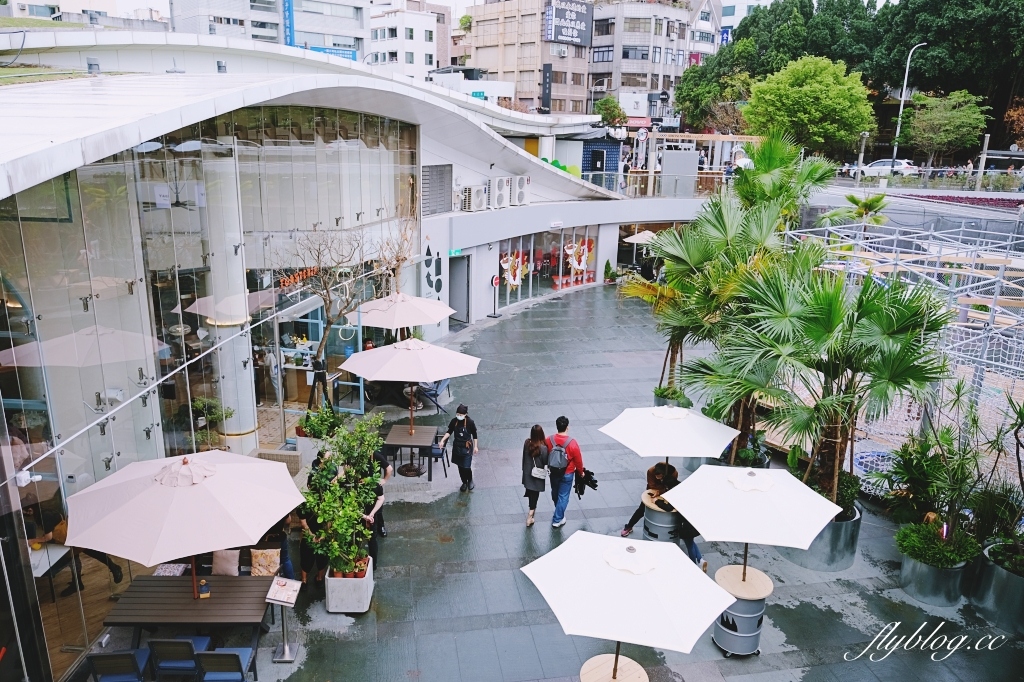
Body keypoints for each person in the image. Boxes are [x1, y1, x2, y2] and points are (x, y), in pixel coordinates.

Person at [620, 461, 679, 537]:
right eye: (656, 476)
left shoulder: (673, 473)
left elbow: (672, 485)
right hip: (652, 491)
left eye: (659, 476)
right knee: (641, 509)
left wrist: (662, 490)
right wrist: (659, 491)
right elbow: (652, 485)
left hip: (666, 492)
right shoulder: (651, 471)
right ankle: (629, 526)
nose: (657, 478)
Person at [546, 415, 583, 528]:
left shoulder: (549, 440)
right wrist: (581, 472)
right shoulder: (572, 443)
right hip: (567, 473)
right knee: (564, 495)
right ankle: (557, 519)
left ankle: (558, 511)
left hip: (553, 472)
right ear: (567, 427)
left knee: (555, 492)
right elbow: (578, 460)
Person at [440, 404, 478, 491]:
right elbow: (449, 432)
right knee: (460, 466)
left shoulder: (470, 422)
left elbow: (475, 435)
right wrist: (442, 440)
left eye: (461, 415)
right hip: (457, 447)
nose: (459, 416)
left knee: (466, 466)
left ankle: (470, 480)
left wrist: (476, 446)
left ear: (465, 414)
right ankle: (464, 482)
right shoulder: (454, 421)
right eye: (457, 414)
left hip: (467, 447)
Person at [521, 425, 549, 528]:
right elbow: (545, 461)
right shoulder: (543, 448)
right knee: (535, 496)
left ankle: (531, 513)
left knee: (531, 493)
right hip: (537, 475)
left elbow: (524, 457)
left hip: (528, 473)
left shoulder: (527, 443)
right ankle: (530, 516)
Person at [362, 481, 385, 567]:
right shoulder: (375, 484)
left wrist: (365, 516)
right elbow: (381, 498)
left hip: (360, 517)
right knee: (372, 539)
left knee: (356, 539)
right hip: (372, 516)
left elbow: (350, 507)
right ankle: (373, 564)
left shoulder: (353, 486)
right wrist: (372, 514)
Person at [373, 448, 394, 537]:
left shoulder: (375, 455)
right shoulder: (359, 456)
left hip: (375, 483)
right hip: (364, 483)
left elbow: (389, 468)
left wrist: (384, 480)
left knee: (378, 505)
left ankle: (381, 526)